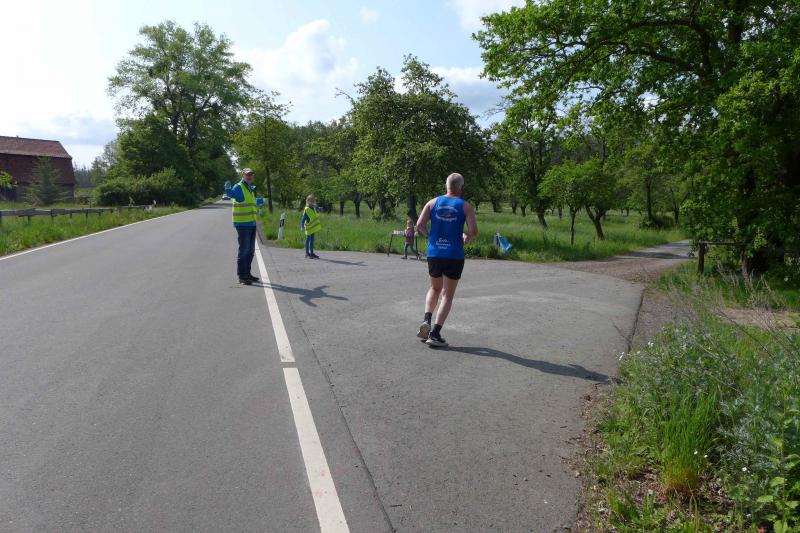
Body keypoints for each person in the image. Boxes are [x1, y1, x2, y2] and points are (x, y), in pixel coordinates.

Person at [415, 172, 478, 347]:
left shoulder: (432, 202)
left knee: (434, 288)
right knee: (447, 296)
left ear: (446, 186)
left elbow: (419, 225)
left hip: (434, 253)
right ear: (461, 187)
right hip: (453, 255)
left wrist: (430, 237)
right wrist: (465, 239)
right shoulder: (465, 206)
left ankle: (426, 320)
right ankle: (435, 334)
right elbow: (474, 231)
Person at [224, 168, 264, 285]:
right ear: (243, 175)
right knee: (244, 250)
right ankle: (242, 276)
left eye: (251, 174)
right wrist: (227, 190)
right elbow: (232, 194)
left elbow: (248, 203)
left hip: (251, 223)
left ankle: (247, 273)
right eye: (247, 174)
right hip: (242, 224)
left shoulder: (250, 188)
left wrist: (257, 202)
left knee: (250, 251)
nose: (250, 176)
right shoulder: (239, 186)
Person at [300, 195, 321, 259]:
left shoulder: (313, 208)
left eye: (314, 200)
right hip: (308, 227)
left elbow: (315, 215)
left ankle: (311, 253)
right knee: (308, 240)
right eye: (312, 200)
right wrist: (302, 226)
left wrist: (316, 207)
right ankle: (307, 253)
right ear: (308, 201)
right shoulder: (307, 209)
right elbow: (303, 219)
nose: (313, 201)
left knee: (312, 240)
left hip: (312, 227)